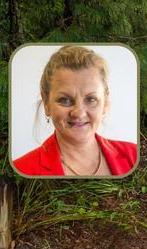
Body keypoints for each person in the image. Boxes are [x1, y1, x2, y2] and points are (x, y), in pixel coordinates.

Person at [13, 45, 137, 177]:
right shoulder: (22, 169)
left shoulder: (134, 155)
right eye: (64, 100)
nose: (78, 113)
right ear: (47, 104)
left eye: (90, 99)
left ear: (105, 102)